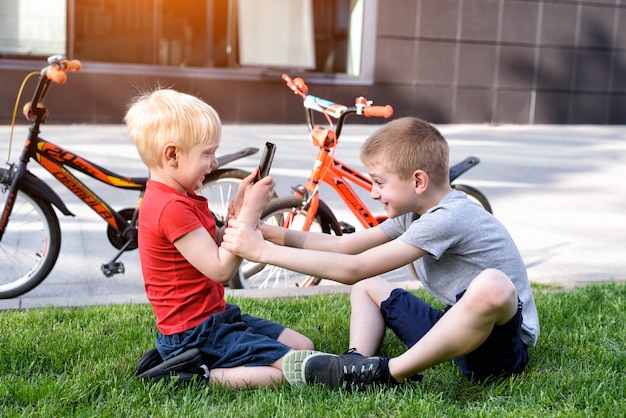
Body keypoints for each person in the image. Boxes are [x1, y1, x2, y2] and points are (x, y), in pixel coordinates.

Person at [222, 117, 540, 392]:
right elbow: (345, 246)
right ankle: (354, 364)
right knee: (368, 287)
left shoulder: (448, 217)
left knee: (493, 284)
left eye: (379, 183)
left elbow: (353, 267)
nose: (373, 193)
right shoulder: (414, 213)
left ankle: (387, 373)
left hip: (501, 349)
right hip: (455, 329)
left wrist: (260, 251)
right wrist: (264, 231)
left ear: (418, 181)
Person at [124, 88, 313, 389]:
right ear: (172, 155)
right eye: (207, 154)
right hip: (192, 333)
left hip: (215, 317)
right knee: (288, 373)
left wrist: (238, 212)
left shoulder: (183, 196)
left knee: (303, 347)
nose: (213, 163)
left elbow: (213, 242)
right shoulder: (169, 207)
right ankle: (189, 375)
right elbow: (221, 269)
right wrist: (251, 213)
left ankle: (189, 364)